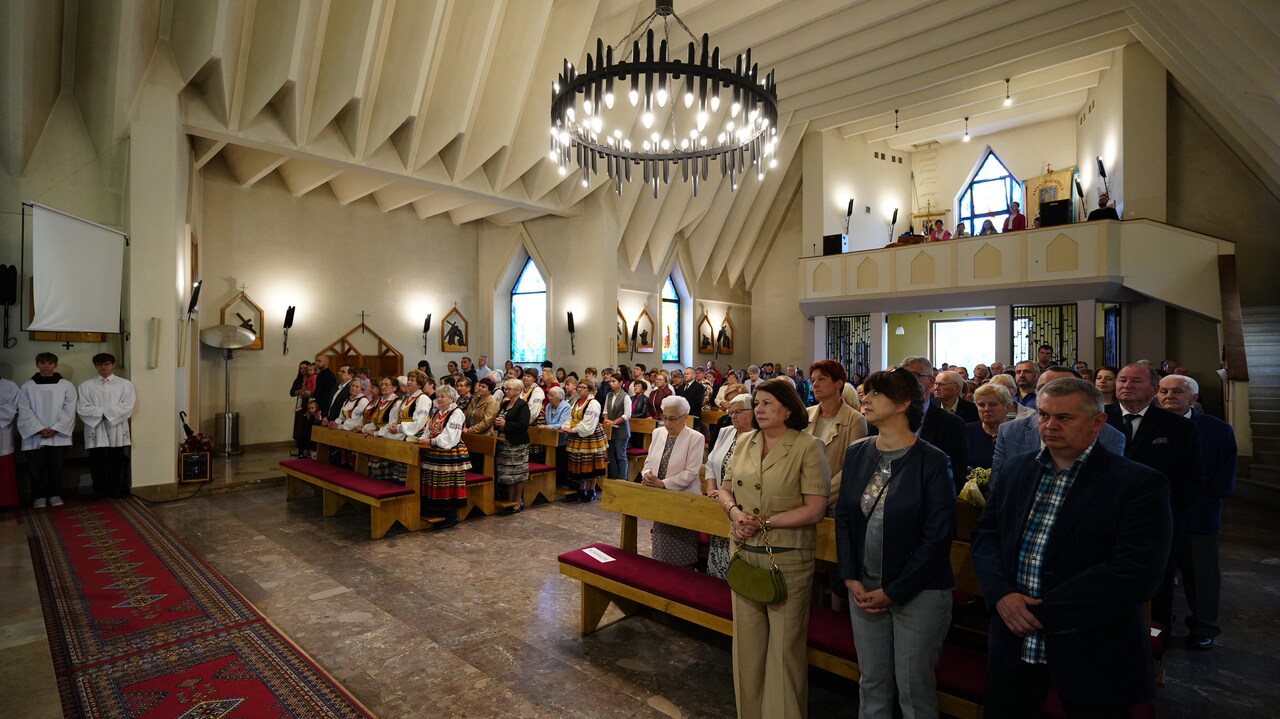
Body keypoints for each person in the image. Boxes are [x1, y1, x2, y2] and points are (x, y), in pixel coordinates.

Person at [972, 378, 1171, 718]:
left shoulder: (1138, 483)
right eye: (1044, 415)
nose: (1050, 425)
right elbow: (988, 535)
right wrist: (1001, 595)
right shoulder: (1017, 470)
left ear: (1097, 422)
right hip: (1013, 643)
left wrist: (1037, 613)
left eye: (1064, 418)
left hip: (1093, 647)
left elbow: (1136, 573)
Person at [836, 368, 956, 719]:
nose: (865, 397)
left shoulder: (932, 461)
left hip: (918, 591)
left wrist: (894, 591)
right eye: (866, 391)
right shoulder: (858, 452)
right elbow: (844, 517)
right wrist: (849, 576)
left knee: (913, 689)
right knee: (871, 682)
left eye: (877, 393)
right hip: (864, 586)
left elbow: (938, 537)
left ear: (904, 403)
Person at [714, 378, 828, 719]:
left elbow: (815, 509)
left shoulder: (808, 447)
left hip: (786, 556)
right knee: (747, 648)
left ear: (788, 409)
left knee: (784, 651)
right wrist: (734, 513)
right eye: (757, 404)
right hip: (745, 552)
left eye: (767, 403)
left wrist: (765, 522)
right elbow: (725, 488)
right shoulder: (745, 441)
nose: (759, 410)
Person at [1106, 363, 1201, 629]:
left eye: (1136, 381)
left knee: (1156, 583)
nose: (1127, 385)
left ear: (1154, 389)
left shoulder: (1177, 426)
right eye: (1122, 380)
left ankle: (1155, 637)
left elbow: (1190, 478)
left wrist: (1165, 512)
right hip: (1103, 519)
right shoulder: (1098, 418)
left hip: (1156, 521)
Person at [1158, 374, 1236, 649]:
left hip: (1199, 513)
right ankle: (1159, 623)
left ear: (1194, 397)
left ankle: (1204, 627)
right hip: (1159, 513)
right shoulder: (1150, 424)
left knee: (1201, 575)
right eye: (1164, 391)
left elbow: (1225, 474)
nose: (1169, 396)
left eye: (1177, 391)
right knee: (1159, 574)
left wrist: (1195, 499)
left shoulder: (1217, 430)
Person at [992, 366, 1126, 474]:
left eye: (1063, 389)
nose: (1051, 394)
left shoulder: (1111, 437)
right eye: (1043, 388)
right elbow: (998, 489)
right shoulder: (1009, 432)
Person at [640, 396, 706, 567]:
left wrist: (663, 483)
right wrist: (648, 475)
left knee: (681, 548)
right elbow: (649, 461)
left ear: (685, 417)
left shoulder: (695, 438)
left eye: (672, 418)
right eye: (664, 417)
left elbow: (691, 472)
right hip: (660, 497)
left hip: (684, 498)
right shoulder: (658, 433)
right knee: (661, 543)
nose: (667, 423)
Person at [893, 357, 967, 491]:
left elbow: (956, 477)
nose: (906, 382)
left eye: (914, 376)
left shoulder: (951, 423)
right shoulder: (886, 418)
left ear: (931, 381)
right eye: (902, 377)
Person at [805, 360, 867, 510]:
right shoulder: (806, 415)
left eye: (821, 379)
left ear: (838, 384)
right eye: (813, 380)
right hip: (802, 495)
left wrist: (819, 499)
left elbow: (851, 468)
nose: (815, 385)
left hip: (832, 503)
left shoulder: (855, 419)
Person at [17, 353, 77, 508]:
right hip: (35, 435)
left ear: (55, 365)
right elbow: (24, 410)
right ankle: (39, 496)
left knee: (56, 466)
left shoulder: (66, 386)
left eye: (50, 363)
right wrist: (38, 429)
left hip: (58, 435)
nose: (46, 366)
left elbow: (70, 409)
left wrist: (57, 428)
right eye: (42, 363)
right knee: (36, 467)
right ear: (37, 364)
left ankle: (54, 494)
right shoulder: (27, 386)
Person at [705, 394, 754, 578]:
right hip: (720, 503)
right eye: (731, 412)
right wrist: (712, 490)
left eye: (738, 412)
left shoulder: (759, 436)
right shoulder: (726, 431)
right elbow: (711, 463)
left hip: (743, 509)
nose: (733, 416)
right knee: (718, 553)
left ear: (753, 412)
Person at [77, 353, 136, 499]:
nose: (103, 367)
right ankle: (98, 490)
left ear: (113, 365)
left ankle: (115, 489)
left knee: (116, 460)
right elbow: (82, 407)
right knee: (96, 461)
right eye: (100, 364)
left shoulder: (125, 384)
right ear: (95, 366)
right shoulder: (86, 385)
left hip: (116, 427)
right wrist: (102, 414)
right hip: (96, 427)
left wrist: (106, 415)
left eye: (107, 364)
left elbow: (127, 405)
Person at [416, 385, 469, 528]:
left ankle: (450, 515)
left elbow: (449, 437)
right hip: (434, 452)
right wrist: (422, 439)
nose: (439, 399)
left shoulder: (456, 413)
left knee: (447, 484)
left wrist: (431, 441)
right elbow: (429, 430)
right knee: (434, 482)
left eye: (443, 396)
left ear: (451, 398)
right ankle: (436, 511)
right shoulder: (438, 412)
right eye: (438, 396)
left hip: (448, 453)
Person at [561, 378, 607, 502]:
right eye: (579, 387)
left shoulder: (593, 403)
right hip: (578, 435)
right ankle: (581, 489)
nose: (580, 389)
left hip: (590, 436)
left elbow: (588, 424)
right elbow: (570, 417)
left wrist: (573, 429)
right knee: (580, 464)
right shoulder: (577, 402)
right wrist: (566, 426)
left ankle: (591, 490)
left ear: (590, 390)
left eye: (583, 387)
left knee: (591, 464)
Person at [493, 379, 532, 512]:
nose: (506, 391)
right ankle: (510, 499)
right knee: (508, 474)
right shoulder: (505, 404)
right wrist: (497, 422)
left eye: (509, 389)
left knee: (518, 474)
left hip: (517, 445)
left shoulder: (522, 405)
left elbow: (523, 425)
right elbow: (499, 418)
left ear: (518, 391)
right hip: (504, 444)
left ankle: (518, 500)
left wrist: (506, 424)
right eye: (506, 389)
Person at [966, 383, 1016, 471]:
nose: (986, 409)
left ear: (1007, 407)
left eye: (993, 404)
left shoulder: (1018, 431)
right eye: (981, 405)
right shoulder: (967, 431)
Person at [381, 370, 431, 441]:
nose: (409, 382)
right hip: (402, 431)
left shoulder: (423, 398)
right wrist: (394, 425)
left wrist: (399, 428)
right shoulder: (405, 398)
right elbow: (397, 417)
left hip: (413, 433)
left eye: (412, 380)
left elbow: (420, 422)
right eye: (408, 380)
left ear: (419, 384)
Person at [600, 374, 631, 480]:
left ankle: (623, 479)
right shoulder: (609, 395)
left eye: (614, 381)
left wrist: (613, 422)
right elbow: (605, 410)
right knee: (611, 455)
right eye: (610, 381)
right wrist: (606, 420)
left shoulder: (625, 396)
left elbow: (627, 415)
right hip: (610, 429)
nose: (611, 384)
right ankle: (613, 477)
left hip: (621, 430)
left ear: (621, 383)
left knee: (621, 455)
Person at [0, 371, 18, 509]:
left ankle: (6, 502)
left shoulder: (10, 386)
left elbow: (11, 409)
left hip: (2, 433)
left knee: (4, 470)